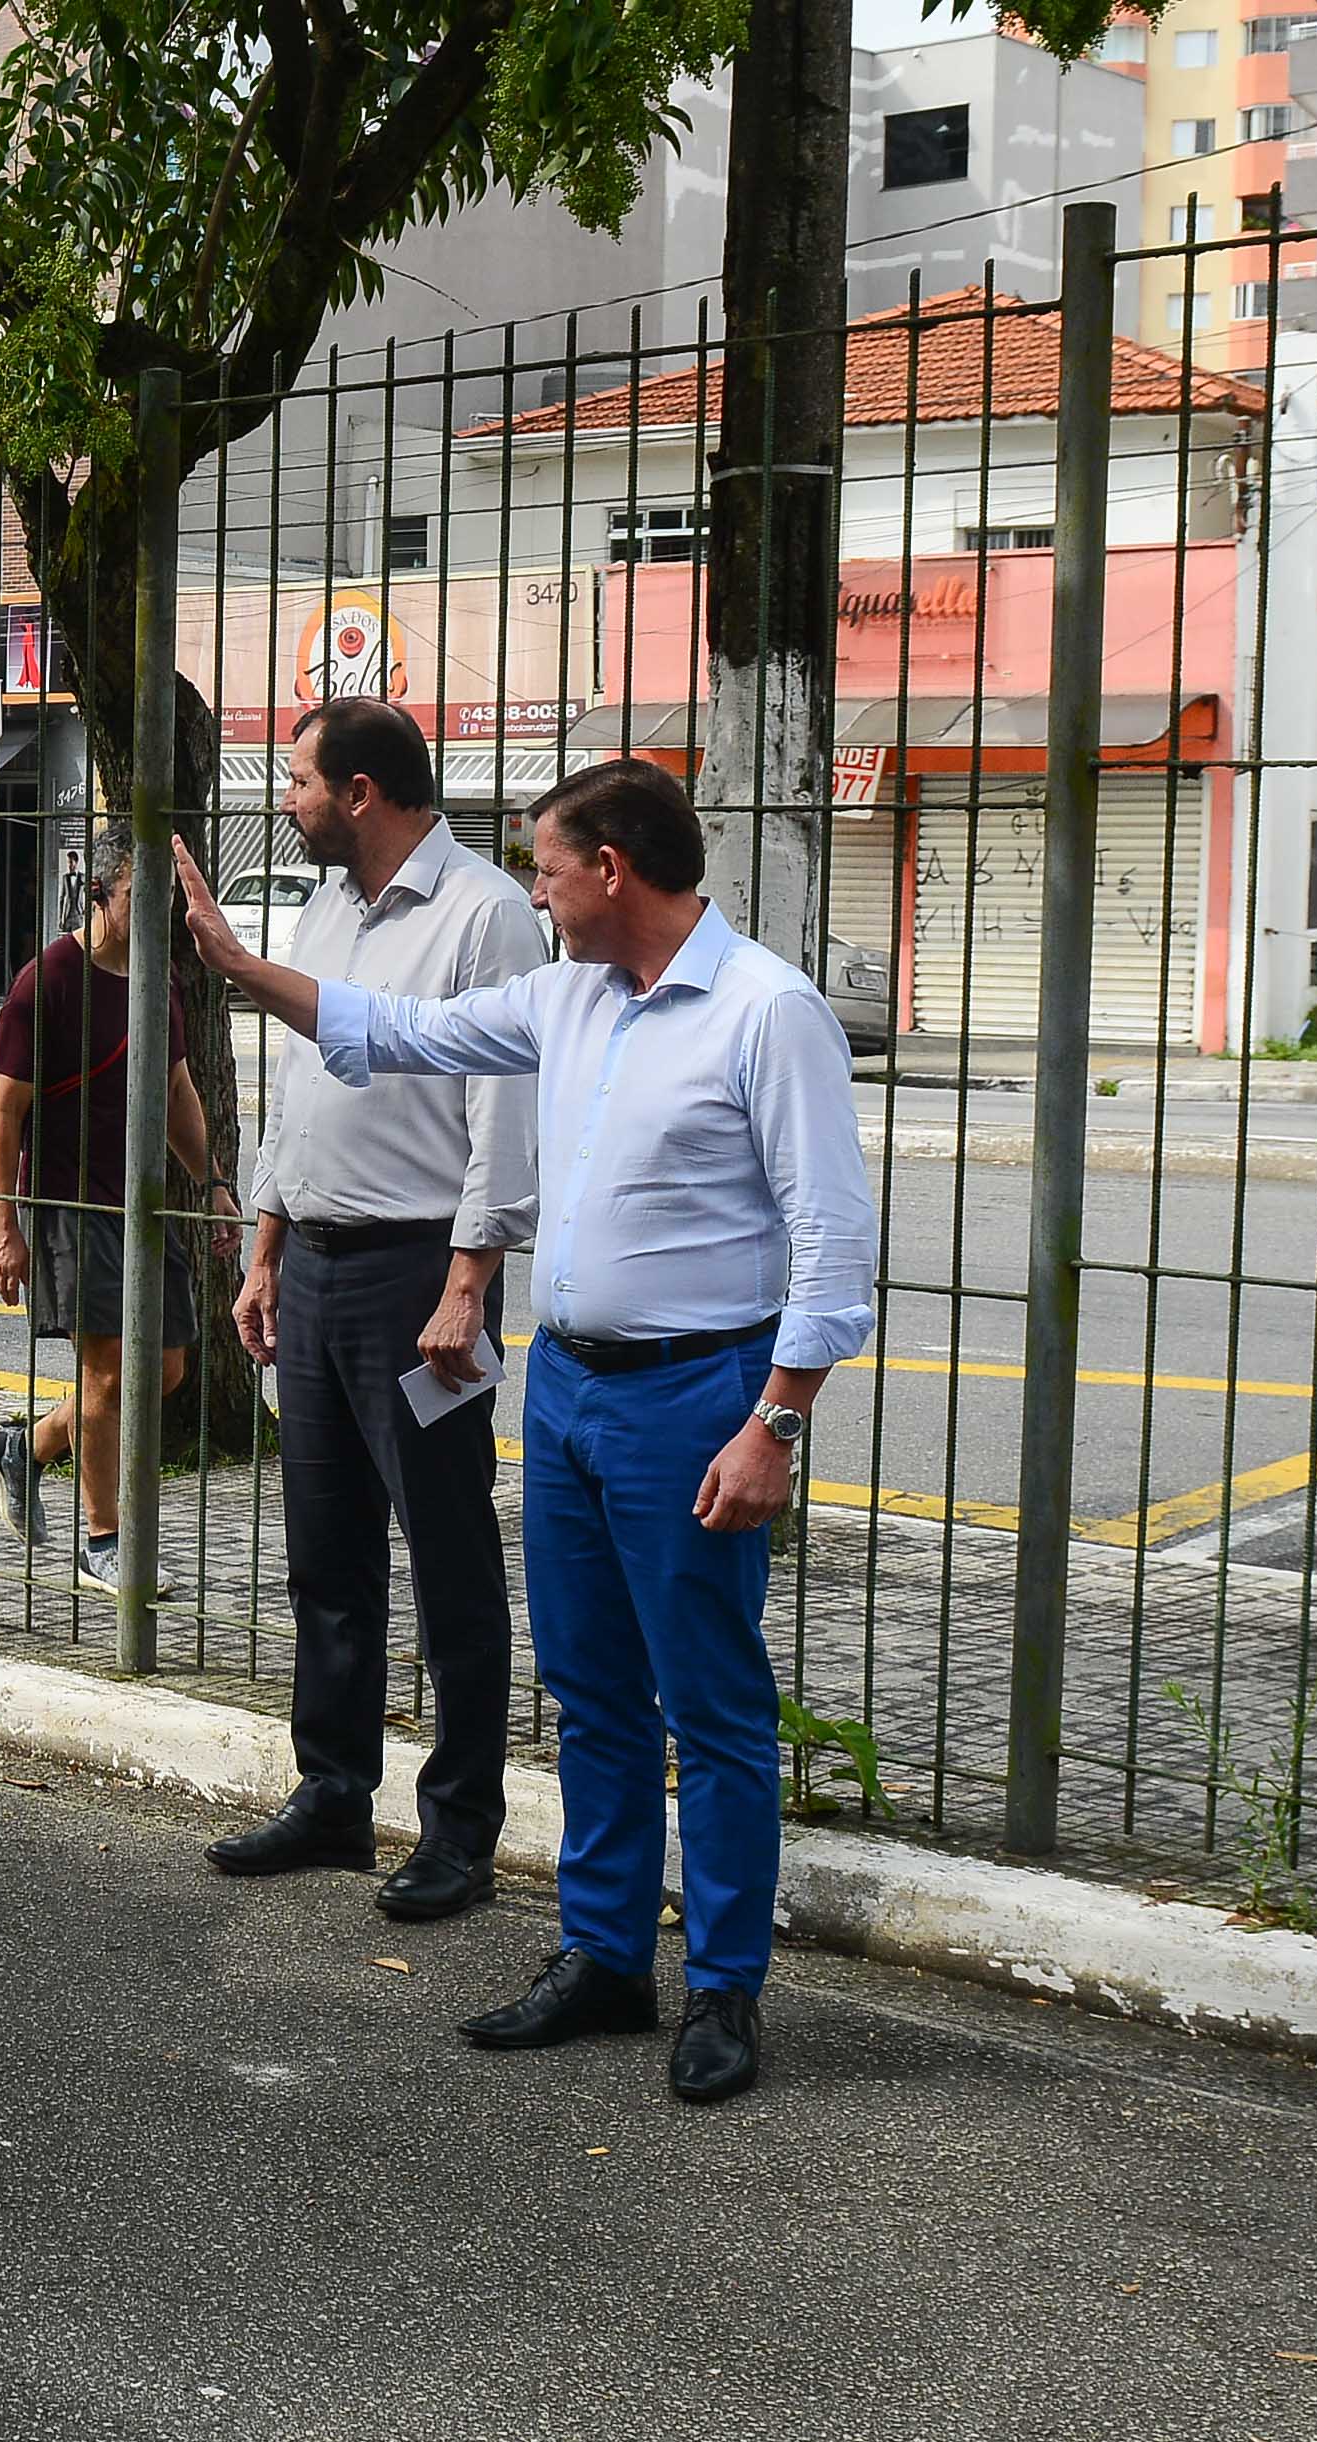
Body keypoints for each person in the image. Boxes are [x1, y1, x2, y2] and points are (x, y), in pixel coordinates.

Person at [181, 757, 881, 2106]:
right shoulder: (569, 997)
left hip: (697, 1399)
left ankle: (724, 1986)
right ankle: (607, 1955)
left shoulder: (763, 1012)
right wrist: (239, 964)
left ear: (610, 869)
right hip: (565, 1391)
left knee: (713, 1703)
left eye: (549, 867)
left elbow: (832, 1241)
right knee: (594, 1691)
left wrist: (773, 1424)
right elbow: (397, 1031)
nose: (535, 890)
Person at [201, 698, 544, 1926]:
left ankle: (460, 1827)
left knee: (448, 1556)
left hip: (420, 1277)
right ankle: (333, 1792)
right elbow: (299, 1093)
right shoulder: (330, 902)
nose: (282, 800)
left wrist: (469, 1286)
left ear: (359, 792)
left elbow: (507, 1115)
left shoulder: (484, 911)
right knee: (325, 1553)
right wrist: (264, 1251)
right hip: (318, 1269)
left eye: (298, 781)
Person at [0, 852, 230, 1599]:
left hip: (145, 1202)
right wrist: (6, 1224)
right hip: (72, 1201)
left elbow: (177, 1088)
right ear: (100, 892)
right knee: (106, 1370)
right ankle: (103, 1540)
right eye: (137, 893)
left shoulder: (161, 981)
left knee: (166, 1368)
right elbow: (4, 1111)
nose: (153, 910)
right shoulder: (47, 978)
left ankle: (28, 1444)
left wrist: (211, 1181)